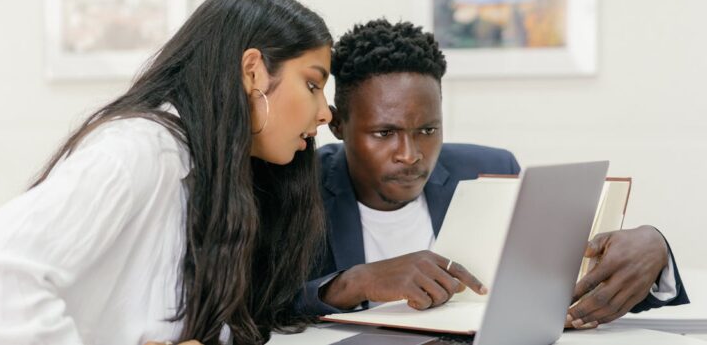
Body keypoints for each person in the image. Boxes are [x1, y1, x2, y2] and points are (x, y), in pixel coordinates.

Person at [0, 0, 334, 345]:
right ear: (253, 72)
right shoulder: (141, 151)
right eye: (313, 84)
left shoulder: (218, 175)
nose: (325, 113)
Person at [295, 19, 689, 329]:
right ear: (338, 126)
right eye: (385, 133)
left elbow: (571, 282)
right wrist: (354, 282)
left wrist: (655, 253)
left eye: (427, 130)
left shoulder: (491, 171)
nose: (410, 155)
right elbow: (257, 304)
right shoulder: (299, 184)